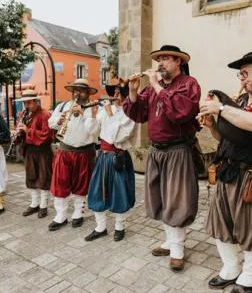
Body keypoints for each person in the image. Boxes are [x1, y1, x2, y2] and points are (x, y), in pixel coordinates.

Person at [123, 45, 201, 271]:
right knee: (161, 198)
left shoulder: (189, 84)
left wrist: (156, 84)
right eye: (158, 59)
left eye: (165, 59)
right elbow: (139, 115)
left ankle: (178, 249)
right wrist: (133, 92)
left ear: (178, 62)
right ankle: (170, 241)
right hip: (156, 151)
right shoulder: (151, 89)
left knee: (177, 199)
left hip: (177, 150)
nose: (160, 63)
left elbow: (181, 112)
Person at [198, 52, 252, 293]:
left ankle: (250, 276)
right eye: (241, 75)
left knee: (249, 227)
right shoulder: (239, 102)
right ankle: (231, 268)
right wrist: (212, 126)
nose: (242, 80)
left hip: (248, 174)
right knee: (221, 223)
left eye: (246, 74)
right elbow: (224, 139)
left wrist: (220, 107)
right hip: (227, 170)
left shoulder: (234, 107)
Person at [85, 80, 136, 242]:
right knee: (96, 191)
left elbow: (118, 137)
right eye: (113, 92)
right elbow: (92, 132)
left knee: (119, 192)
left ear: (127, 95)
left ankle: (119, 227)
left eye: (118, 93)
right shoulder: (107, 109)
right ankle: (100, 227)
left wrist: (110, 114)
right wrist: (93, 114)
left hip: (118, 158)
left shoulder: (131, 114)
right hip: (103, 156)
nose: (114, 96)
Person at [48, 79, 98, 231]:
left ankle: (78, 214)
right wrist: (59, 119)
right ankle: (60, 216)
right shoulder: (63, 106)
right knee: (60, 184)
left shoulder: (94, 108)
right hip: (64, 150)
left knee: (81, 185)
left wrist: (84, 114)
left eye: (82, 90)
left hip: (85, 152)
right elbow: (51, 123)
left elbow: (94, 131)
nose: (78, 93)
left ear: (88, 93)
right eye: (75, 90)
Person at [17, 90, 53, 218]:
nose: (26, 105)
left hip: (43, 151)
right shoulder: (23, 114)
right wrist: (18, 133)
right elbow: (22, 133)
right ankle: (34, 204)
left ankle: (43, 206)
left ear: (35, 101)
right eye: (24, 103)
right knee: (31, 177)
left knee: (43, 178)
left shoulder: (45, 114)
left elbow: (47, 135)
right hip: (30, 150)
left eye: (28, 102)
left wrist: (28, 130)